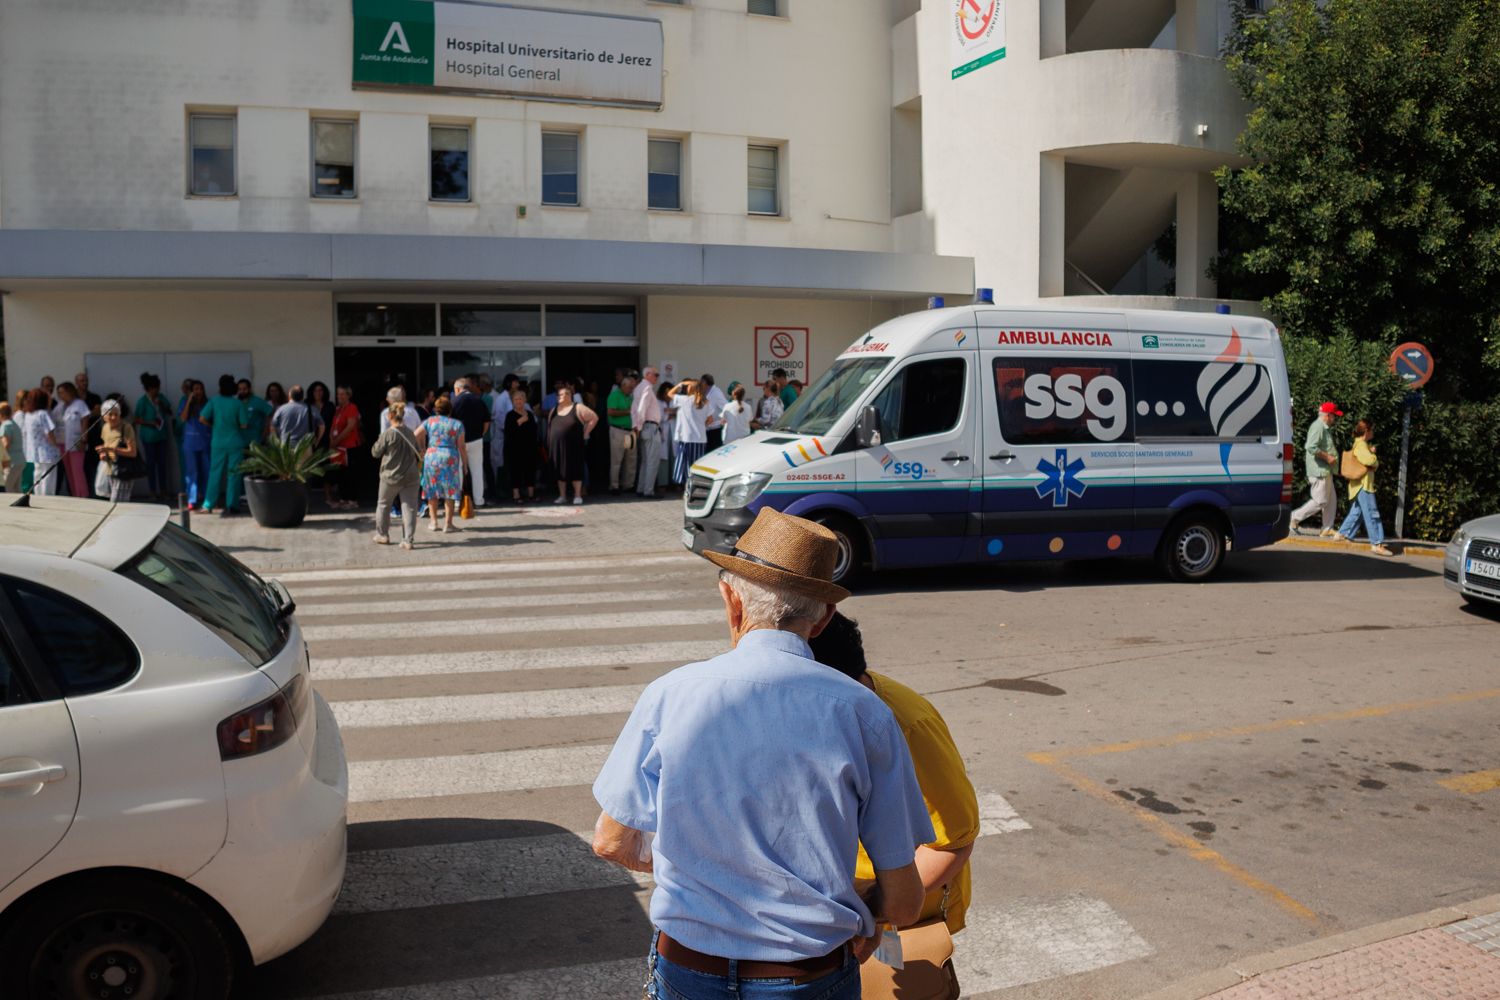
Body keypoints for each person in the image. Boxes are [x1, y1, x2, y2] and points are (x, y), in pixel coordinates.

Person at [592, 508, 932, 1000]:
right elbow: (903, 902)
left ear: (732, 600)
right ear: (823, 619)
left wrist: (700, 871)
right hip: (810, 976)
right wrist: (851, 901)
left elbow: (612, 842)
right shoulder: (864, 714)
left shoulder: (669, 695)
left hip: (688, 967)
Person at [808, 613, 980, 986]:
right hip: (850, 905)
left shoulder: (907, 728)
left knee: (895, 985)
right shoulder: (821, 716)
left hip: (897, 914)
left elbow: (953, 841)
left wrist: (872, 905)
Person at [1334, 419, 1394, 556]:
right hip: (1364, 484)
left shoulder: (1360, 444)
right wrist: (1373, 456)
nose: (1373, 432)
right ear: (1366, 431)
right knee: (1373, 513)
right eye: (1372, 430)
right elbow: (1370, 461)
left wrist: (1370, 453)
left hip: (1359, 485)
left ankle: (1343, 533)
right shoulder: (1361, 445)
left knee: (1358, 512)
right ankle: (1377, 543)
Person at [371, 401, 423, 550]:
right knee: (410, 508)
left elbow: (375, 453)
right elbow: (418, 451)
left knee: (383, 505)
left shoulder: (387, 434)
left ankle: (382, 535)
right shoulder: (410, 432)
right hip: (411, 476)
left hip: (390, 476)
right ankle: (408, 540)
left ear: (391, 416)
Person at [1289, 401, 1342, 537]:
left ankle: (1326, 528)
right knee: (1321, 501)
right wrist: (1327, 458)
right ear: (1327, 415)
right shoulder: (1318, 427)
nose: (1335, 418)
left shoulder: (1323, 427)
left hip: (1325, 470)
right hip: (1319, 470)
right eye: (1334, 416)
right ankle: (1293, 518)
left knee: (1331, 500)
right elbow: (1310, 447)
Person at [200, 374, 247, 515]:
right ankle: (232, 505)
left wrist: (213, 424)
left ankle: (208, 505)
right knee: (234, 474)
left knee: (215, 473)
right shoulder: (238, 403)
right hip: (235, 442)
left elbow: (202, 418)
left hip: (218, 442)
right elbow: (244, 425)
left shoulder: (214, 401)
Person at [419, 394, 466, 532]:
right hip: (449, 457)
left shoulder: (430, 421)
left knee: (432, 490)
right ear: (450, 410)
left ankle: (434, 523)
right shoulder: (457, 424)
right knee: (449, 491)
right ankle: (448, 524)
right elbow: (462, 447)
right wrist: (466, 465)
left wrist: (422, 449)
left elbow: (415, 434)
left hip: (432, 456)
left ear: (436, 409)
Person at [547, 385, 598, 506]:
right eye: (559, 395)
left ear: (570, 396)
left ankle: (577, 495)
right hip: (557, 446)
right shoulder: (554, 410)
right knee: (560, 470)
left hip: (574, 445)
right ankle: (562, 496)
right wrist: (549, 441)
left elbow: (594, 418)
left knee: (576, 468)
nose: (561, 396)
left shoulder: (578, 407)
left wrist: (586, 433)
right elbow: (550, 426)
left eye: (564, 394)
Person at [451, 378, 491, 507]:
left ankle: (457, 501)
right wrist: (481, 434)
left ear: (457, 389)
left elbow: (450, 422)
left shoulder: (454, 402)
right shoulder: (479, 400)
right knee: (477, 470)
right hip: (476, 440)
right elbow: (487, 421)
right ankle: (479, 500)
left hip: (458, 441)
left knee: (458, 470)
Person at [133, 372, 173, 501]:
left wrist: (160, 404)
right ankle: (152, 491)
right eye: (156, 388)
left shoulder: (161, 397)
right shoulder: (142, 401)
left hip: (161, 435)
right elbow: (136, 419)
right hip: (148, 437)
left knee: (162, 464)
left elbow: (169, 411)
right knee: (151, 464)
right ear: (149, 388)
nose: (158, 390)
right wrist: (149, 422)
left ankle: (163, 491)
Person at [666, 377, 711, 487]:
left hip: (687, 437)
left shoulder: (684, 400)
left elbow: (669, 394)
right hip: (700, 438)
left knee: (685, 465)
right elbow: (710, 419)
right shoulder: (705, 401)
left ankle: (687, 487)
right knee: (697, 466)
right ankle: (696, 487)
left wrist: (680, 384)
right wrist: (700, 424)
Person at [19, 388, 62, 496]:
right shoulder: (43, 414)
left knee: (37, 474)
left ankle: (38, 497)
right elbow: (49, 433)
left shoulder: (28, 415)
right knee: (48, 476)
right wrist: (56, 446)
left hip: (34, 452)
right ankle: (47, 498)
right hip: (47, 451)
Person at [96, 398, 140, 503]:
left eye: (116, 414)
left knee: (118, 503)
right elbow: (106, 444)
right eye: (110, 414)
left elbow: (132, 452)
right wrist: (103, 453)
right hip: (110, 469)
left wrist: (110, 449)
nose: (114, 417)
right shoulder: (105, 428)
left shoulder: (126, 428)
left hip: (123, 470)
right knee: (112, 501)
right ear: (104, 416)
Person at [326, 385, 362, 510]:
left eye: (342, 394)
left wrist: (335, 441)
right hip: (338, 447)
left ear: (348, 395)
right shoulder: (338, 409)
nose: (339, 396)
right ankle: (343, 499)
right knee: (341, 474)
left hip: (349, 446)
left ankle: (352, 500)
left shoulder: (352, 408)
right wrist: (332, 440)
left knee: (350, 474)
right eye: (338, 394)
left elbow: (350, 427)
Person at [177, 380, 211, 509]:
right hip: (190, 443)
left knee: (206, 470)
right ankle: (192, 499)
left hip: (205, 442)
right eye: (195, 389)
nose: (198, 391)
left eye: (200, 389)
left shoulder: (208, 403)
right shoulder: (185, 403)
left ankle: (206, 497)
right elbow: (183, 418)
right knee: (191, 472)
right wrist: (189, 401)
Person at [632, 366, 665, 499]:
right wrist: (639, 426)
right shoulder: (647, 387)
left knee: (645, 461)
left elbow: (634, 409)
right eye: (655, 375)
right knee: (652, 461)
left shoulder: (638, 387)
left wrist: (637, 426)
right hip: (650, 427)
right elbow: (641, 409)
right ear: (647, 375)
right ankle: (648, 491)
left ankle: (641, 488)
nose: (657, 377)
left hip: (646, 427)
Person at [55, 382, 92, 498]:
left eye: (62, 392)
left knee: (77, 471)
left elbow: (85, 420)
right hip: (62, 443)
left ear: (70, 391)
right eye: (59, 393)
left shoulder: (79, 404)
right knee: (69, 472)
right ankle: (75, 495)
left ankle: (83, 495)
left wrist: (84, 439)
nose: (60, 395)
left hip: (77, 442)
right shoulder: (60, 406)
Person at [502, 389, 539, 503]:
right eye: (516, 399)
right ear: (512, 401)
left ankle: (531, 494)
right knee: (515, 471)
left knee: (530, 471)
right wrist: (519, 422)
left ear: (525, 400)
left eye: (521, 399)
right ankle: (516, 495)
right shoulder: (510, 415)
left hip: (529, 448)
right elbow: (508, 432)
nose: (518, 401)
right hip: (514, 449)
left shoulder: (530, 414)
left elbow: (534, 431)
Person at [606, 373, 637, 495]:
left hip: (630, 431)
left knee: (630, 460)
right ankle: (614, 486)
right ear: (623, 386)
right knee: (616, 460)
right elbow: (611, 412)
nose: (631, 390)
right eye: (630, 388)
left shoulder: (630, 397)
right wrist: (627, 412)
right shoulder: (614, 396)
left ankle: (628, 485)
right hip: (618, 430)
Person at [701, 374, 729, 452]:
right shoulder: (707, 393)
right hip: (708, 431)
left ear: (705, 383)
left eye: (701, 382)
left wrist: (721, 421)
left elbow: (727, 408)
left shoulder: (716, 393)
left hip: (714, 431)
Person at [0, 402, 23, 494]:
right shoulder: (14, 424)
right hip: (20, 459)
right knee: (16, 488)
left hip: (11, 461)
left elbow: (5, 444)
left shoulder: (5, 426)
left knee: (7, 488)